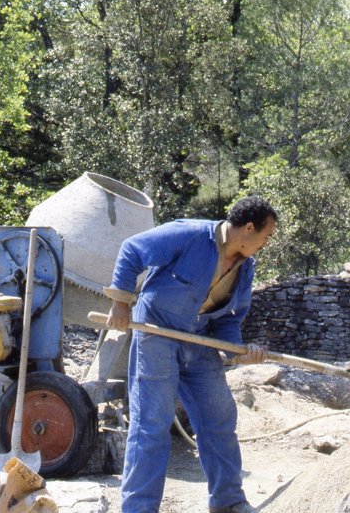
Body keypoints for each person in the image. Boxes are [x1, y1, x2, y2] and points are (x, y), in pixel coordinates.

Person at [103, 196, 278, 513]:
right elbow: (132, 249)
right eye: (267, 235)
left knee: (219, 419)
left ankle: (229, 502)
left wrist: (238, 352)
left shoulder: (246, 267)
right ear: (249, 228)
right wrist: (121, 302)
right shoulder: (191, 235)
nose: (267, 243)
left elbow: (229, 319)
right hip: (157, 334)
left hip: (199, 341)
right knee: (151, 425)